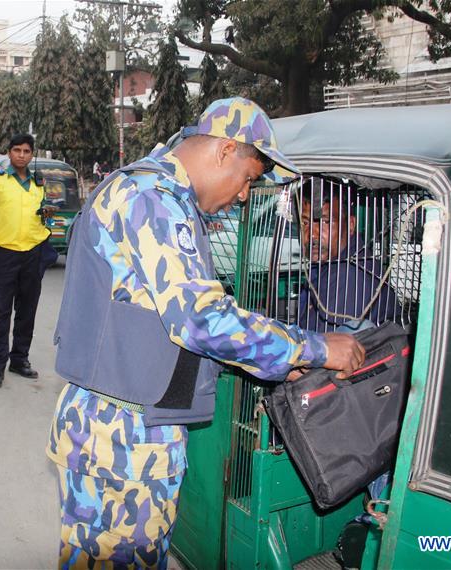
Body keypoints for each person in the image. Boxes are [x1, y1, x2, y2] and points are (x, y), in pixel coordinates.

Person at [46, 98, 366, 567]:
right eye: (248, 178)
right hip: (119, 437)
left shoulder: (166, 200)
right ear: (224, 151)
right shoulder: (149, 198)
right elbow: (200, 319)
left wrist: (284, 362)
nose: (242, 195)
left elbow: (168, 323)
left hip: (135, 428)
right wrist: (314, 348)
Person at [0, 133, 54, 388]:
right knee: (0, 310)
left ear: (32, 154)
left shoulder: (39, 183)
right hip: (4, 253)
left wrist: (47, 215)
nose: (21, 155)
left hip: (33, 252)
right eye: (17, 150)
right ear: (9, 152)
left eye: (26, 151)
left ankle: (20, 359)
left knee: (27, 310)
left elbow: (42, 218)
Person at [296, 179, 402, 332]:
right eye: (305, 223)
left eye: (325, 222)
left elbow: (325, 350)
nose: (312, 234)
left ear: (351, 225)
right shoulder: (331, 263)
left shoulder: (350, 278)